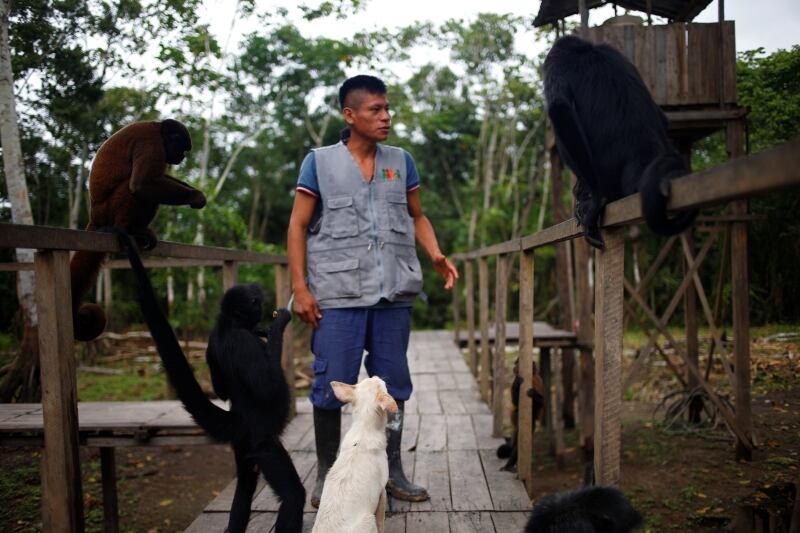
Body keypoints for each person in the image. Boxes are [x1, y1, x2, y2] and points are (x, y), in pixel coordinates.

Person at [287, 74, 458, 507]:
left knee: (394, 387)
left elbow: (418, 216)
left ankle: (393, 472)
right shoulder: (319, 163)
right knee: (330, 386)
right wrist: (299, 288)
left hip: (393, 294)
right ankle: (329, 475)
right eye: (375, 110)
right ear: (350, 115)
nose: (386, 117)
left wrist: (435, 253)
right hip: (338, 296)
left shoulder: (401, 161)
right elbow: (298, 225)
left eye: (387, 109)